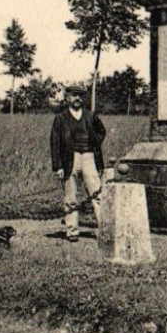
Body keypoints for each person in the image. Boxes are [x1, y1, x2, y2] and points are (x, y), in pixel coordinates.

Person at [50, 88, 106, 243]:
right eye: (74, 95)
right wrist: (58, 166)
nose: (77, 98)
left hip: (89, 157)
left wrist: (94, 140)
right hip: (70, 158)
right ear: (67, 98)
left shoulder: (90, 116)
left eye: (80, 96)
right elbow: (55, 143)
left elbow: (102, 131)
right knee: (71, 197)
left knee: (97, 194)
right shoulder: (60, 118)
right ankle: (72, 231)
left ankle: (105, 230)